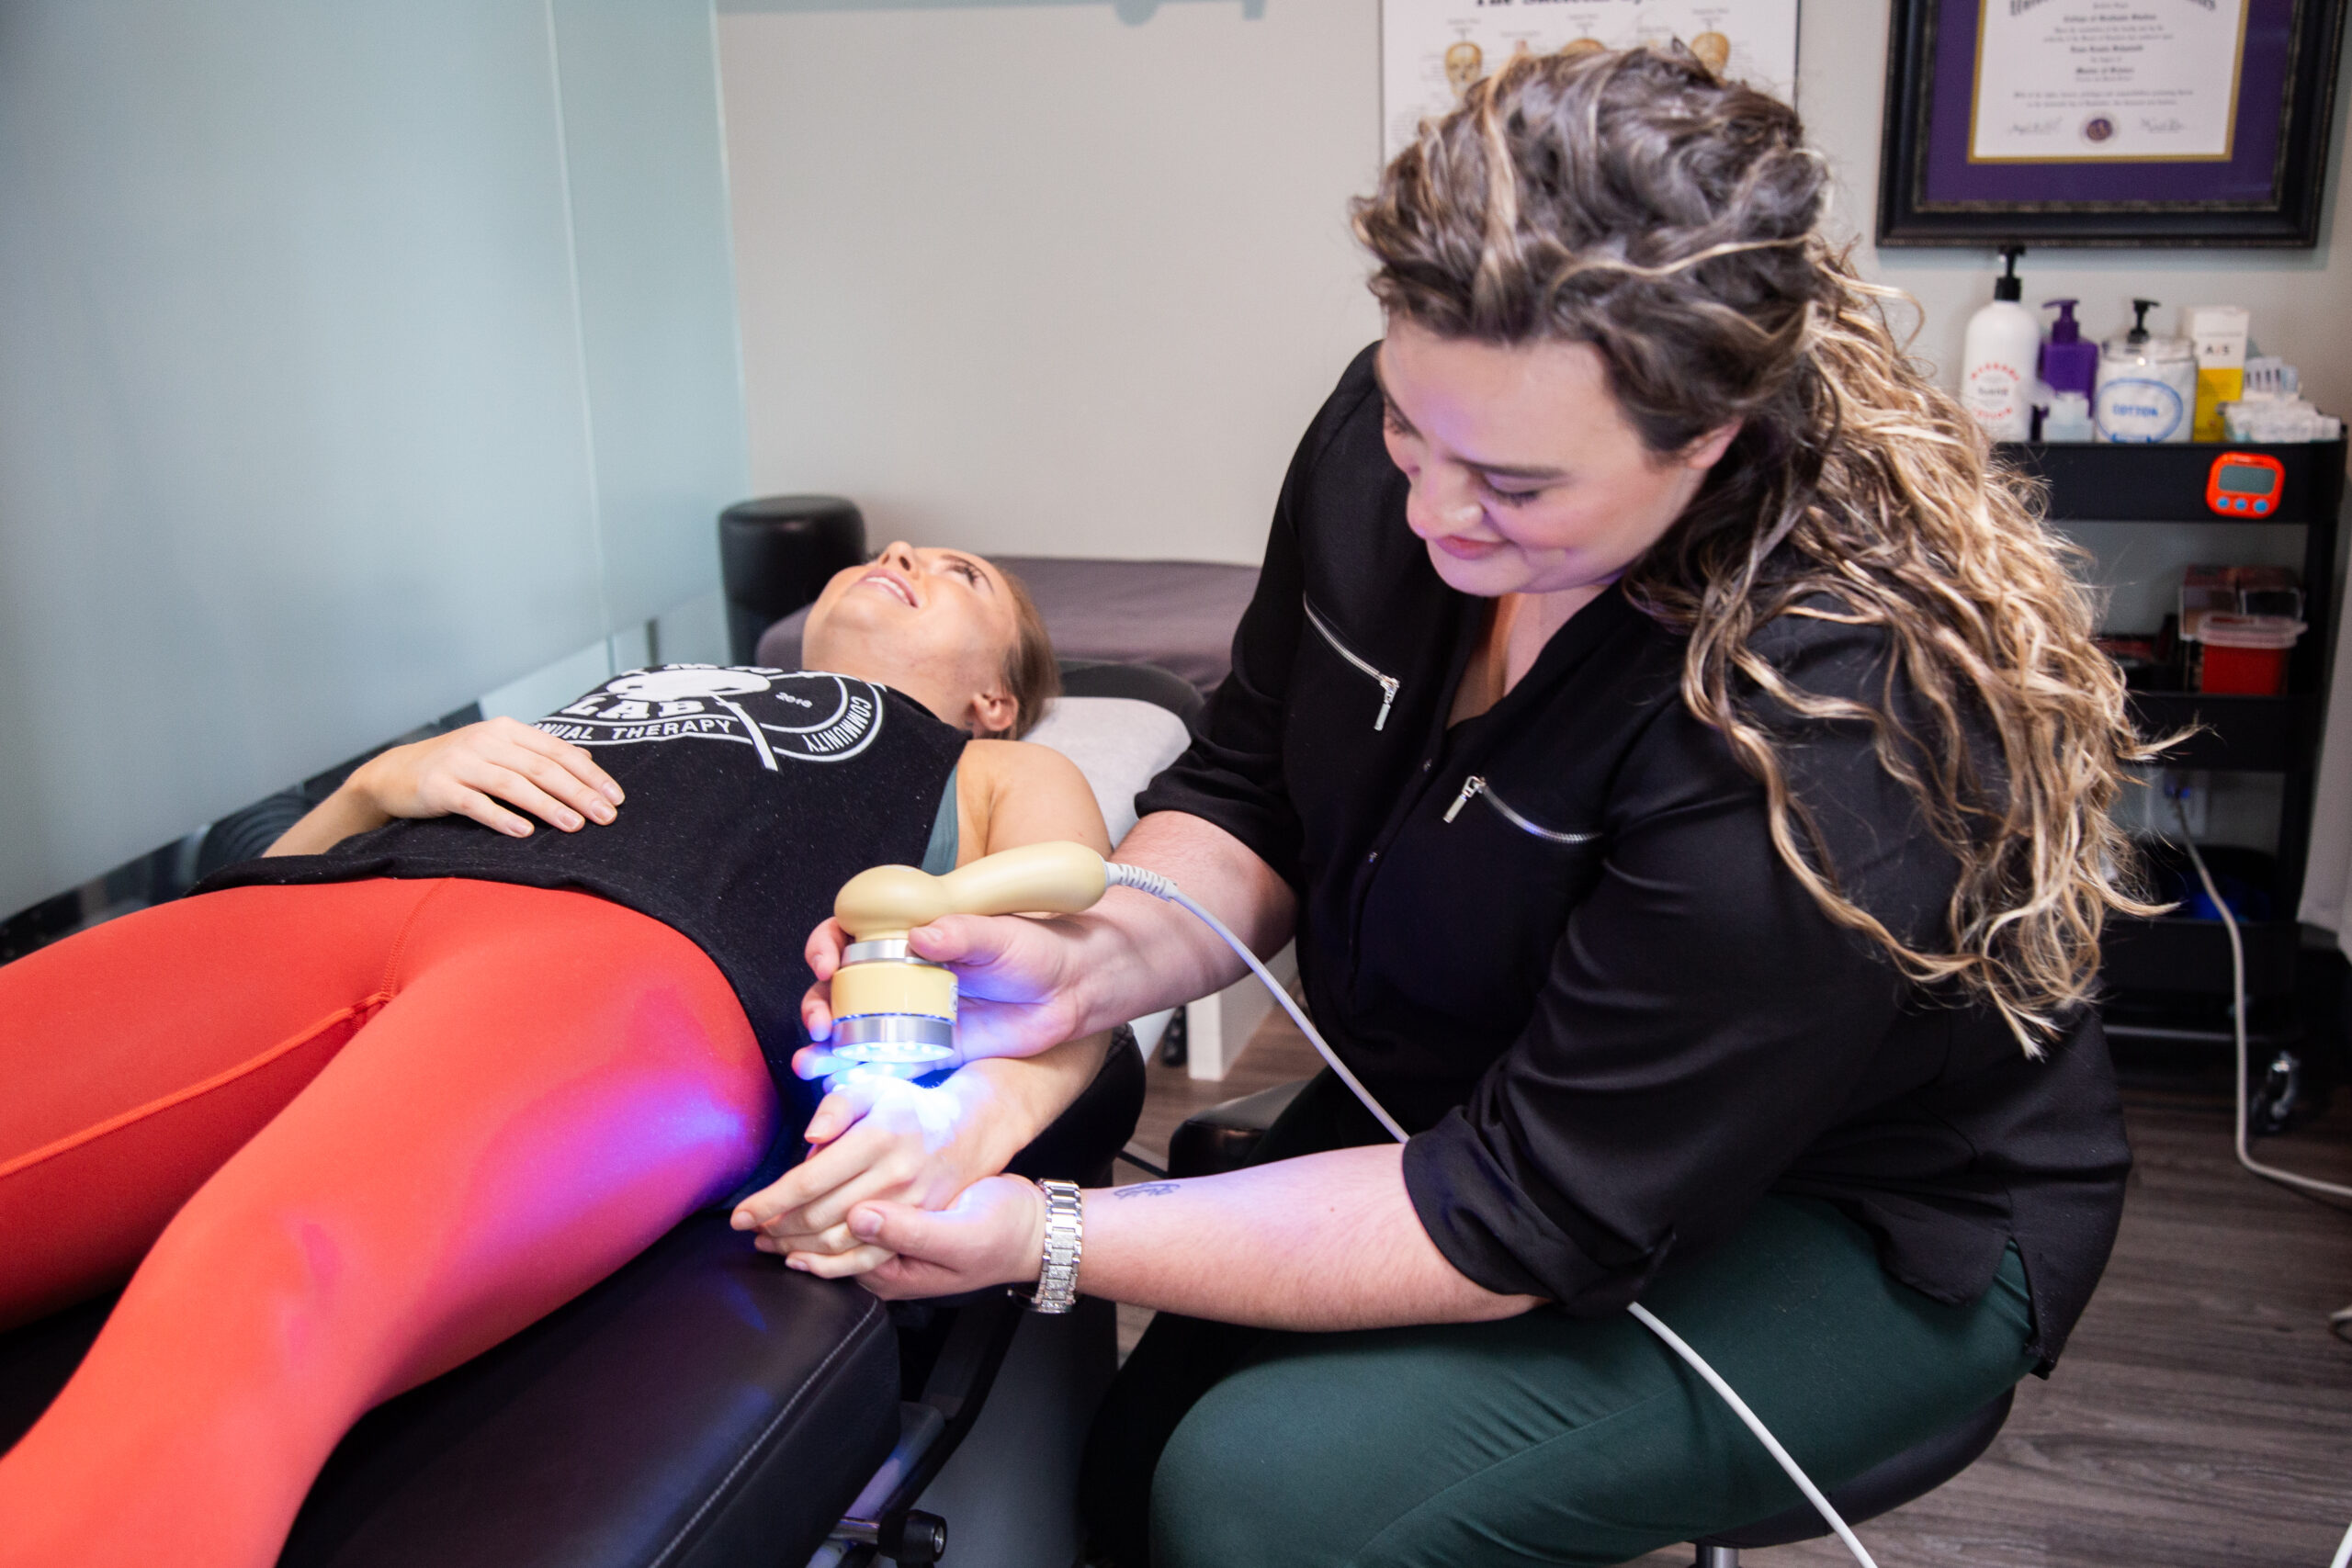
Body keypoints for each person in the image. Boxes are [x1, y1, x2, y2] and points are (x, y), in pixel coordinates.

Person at [792, 50, 2147, 1568]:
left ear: (1708, 440)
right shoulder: (1416, 447)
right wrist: (1097, 954)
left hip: (1850, 1206)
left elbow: (1523, 1207)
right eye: (1409, 433)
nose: (1433, 514)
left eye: (1512, 485)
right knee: (1130, 1470)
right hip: (1488, 1096)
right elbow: (1253, 785)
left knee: (1256, 1499)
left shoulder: (1831, 724)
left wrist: (1038, 1237)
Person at [0, 542, 1123, 1568]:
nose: (903, 554)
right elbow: (254, 882)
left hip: (634, 967)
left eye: (961, 574)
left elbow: (1070, 958)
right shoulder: (639, 688)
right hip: (308, 913)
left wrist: (935, 1030)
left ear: (995, 698)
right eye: (892, 551)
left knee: (264, 1277)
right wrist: (371, 787)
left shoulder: (983, 766)